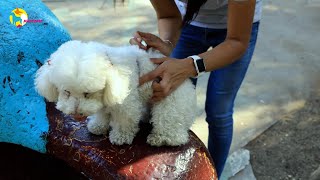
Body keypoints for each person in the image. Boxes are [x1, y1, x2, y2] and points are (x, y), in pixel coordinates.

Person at [130, 0, 262, 177]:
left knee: (219, 112)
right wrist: (168, 43)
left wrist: (190, 65)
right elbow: (168, 15)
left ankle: (213, 174)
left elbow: (236, 42)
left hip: (235, 31)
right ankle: (177, 172)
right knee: (168, 101)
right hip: (189, 24)